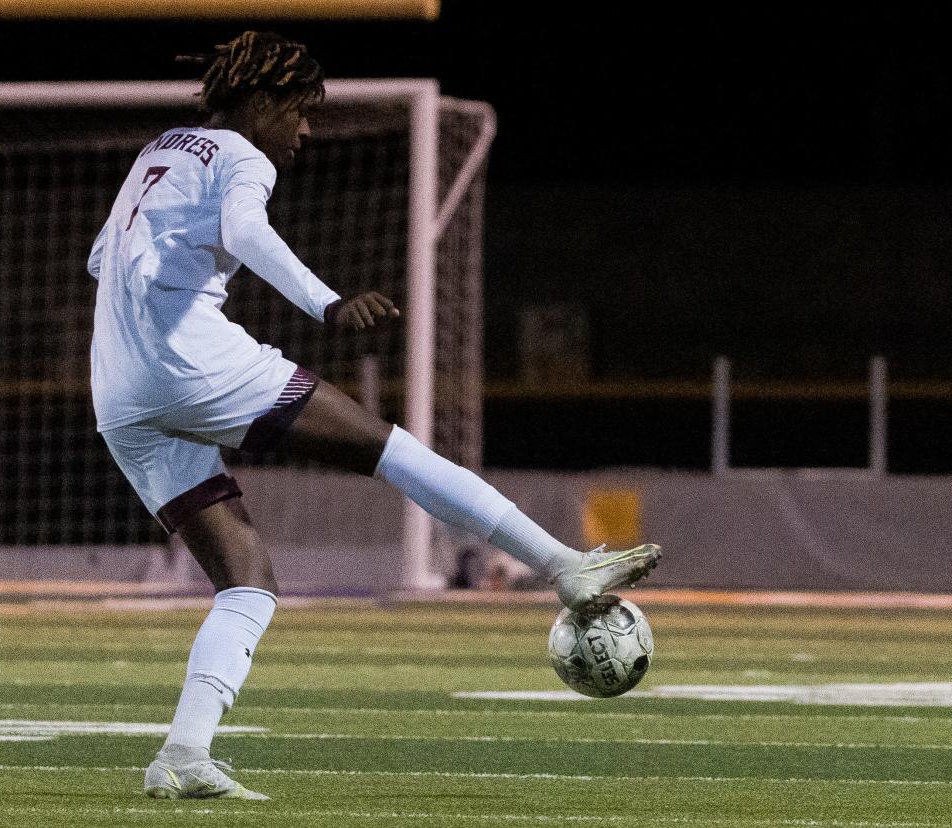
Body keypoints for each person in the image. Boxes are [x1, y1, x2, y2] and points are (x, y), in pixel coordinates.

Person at [87, 30, 661, 801]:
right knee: (388, 448)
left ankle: (183, 753)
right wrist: (326, 302)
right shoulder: (241, 156)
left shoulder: (160, 148)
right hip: (190, 364)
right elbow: (245, 231)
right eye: (298, 110)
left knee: (247, 580)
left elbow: (101, 258)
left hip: (117, 386)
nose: (306, 130)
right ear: (258, 101)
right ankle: (564, 564)